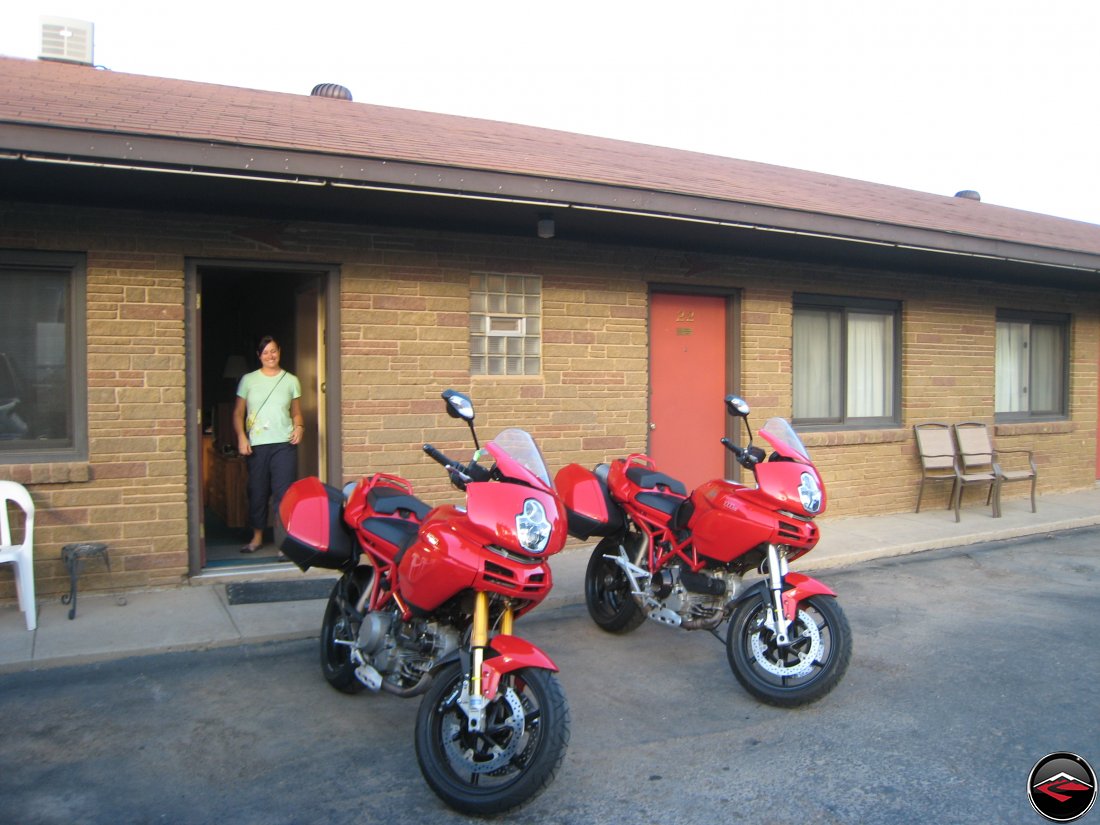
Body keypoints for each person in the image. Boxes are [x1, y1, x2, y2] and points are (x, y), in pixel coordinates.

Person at [233, 336, 304, 553]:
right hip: (257, 445)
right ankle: (257, 538)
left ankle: (283, 542)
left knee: (284, 494)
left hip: (284, 444)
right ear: (259, 355)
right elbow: (238, 413)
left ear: (279, 351)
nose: (270, 356)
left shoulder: (291, 380)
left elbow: (297, 414)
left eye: (273, 351)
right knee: (257, 491)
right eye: (265, 352)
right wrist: (242, 438)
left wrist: (300, 427)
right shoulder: (248, 380)